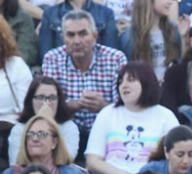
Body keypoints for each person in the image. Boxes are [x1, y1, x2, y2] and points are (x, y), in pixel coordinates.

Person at [84, 63, 180, 174]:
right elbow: (93, 161)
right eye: (121, 81)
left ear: (146, 82)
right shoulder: (108, 113)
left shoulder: (165, 116)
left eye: (131, 80)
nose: (124, 85)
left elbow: (175, 159)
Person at [41, 11, 127, 156]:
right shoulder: (52, 58)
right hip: (65, 131)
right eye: (71, 35)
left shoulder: (116, 58)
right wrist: (75, 105)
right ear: (63, 38)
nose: (77, 41)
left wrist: (104, 107)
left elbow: (125, 109)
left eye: (83, 34)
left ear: (94, 36)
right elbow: (48, 107)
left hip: (106, 130)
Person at [6, 77, 81, 167]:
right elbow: (16, 163)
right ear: (31, 100)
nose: (46, 103)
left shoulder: (69, 127)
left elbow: (66, 160)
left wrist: (49, 123)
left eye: (52, 98)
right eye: (40, 97)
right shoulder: (19, 129)